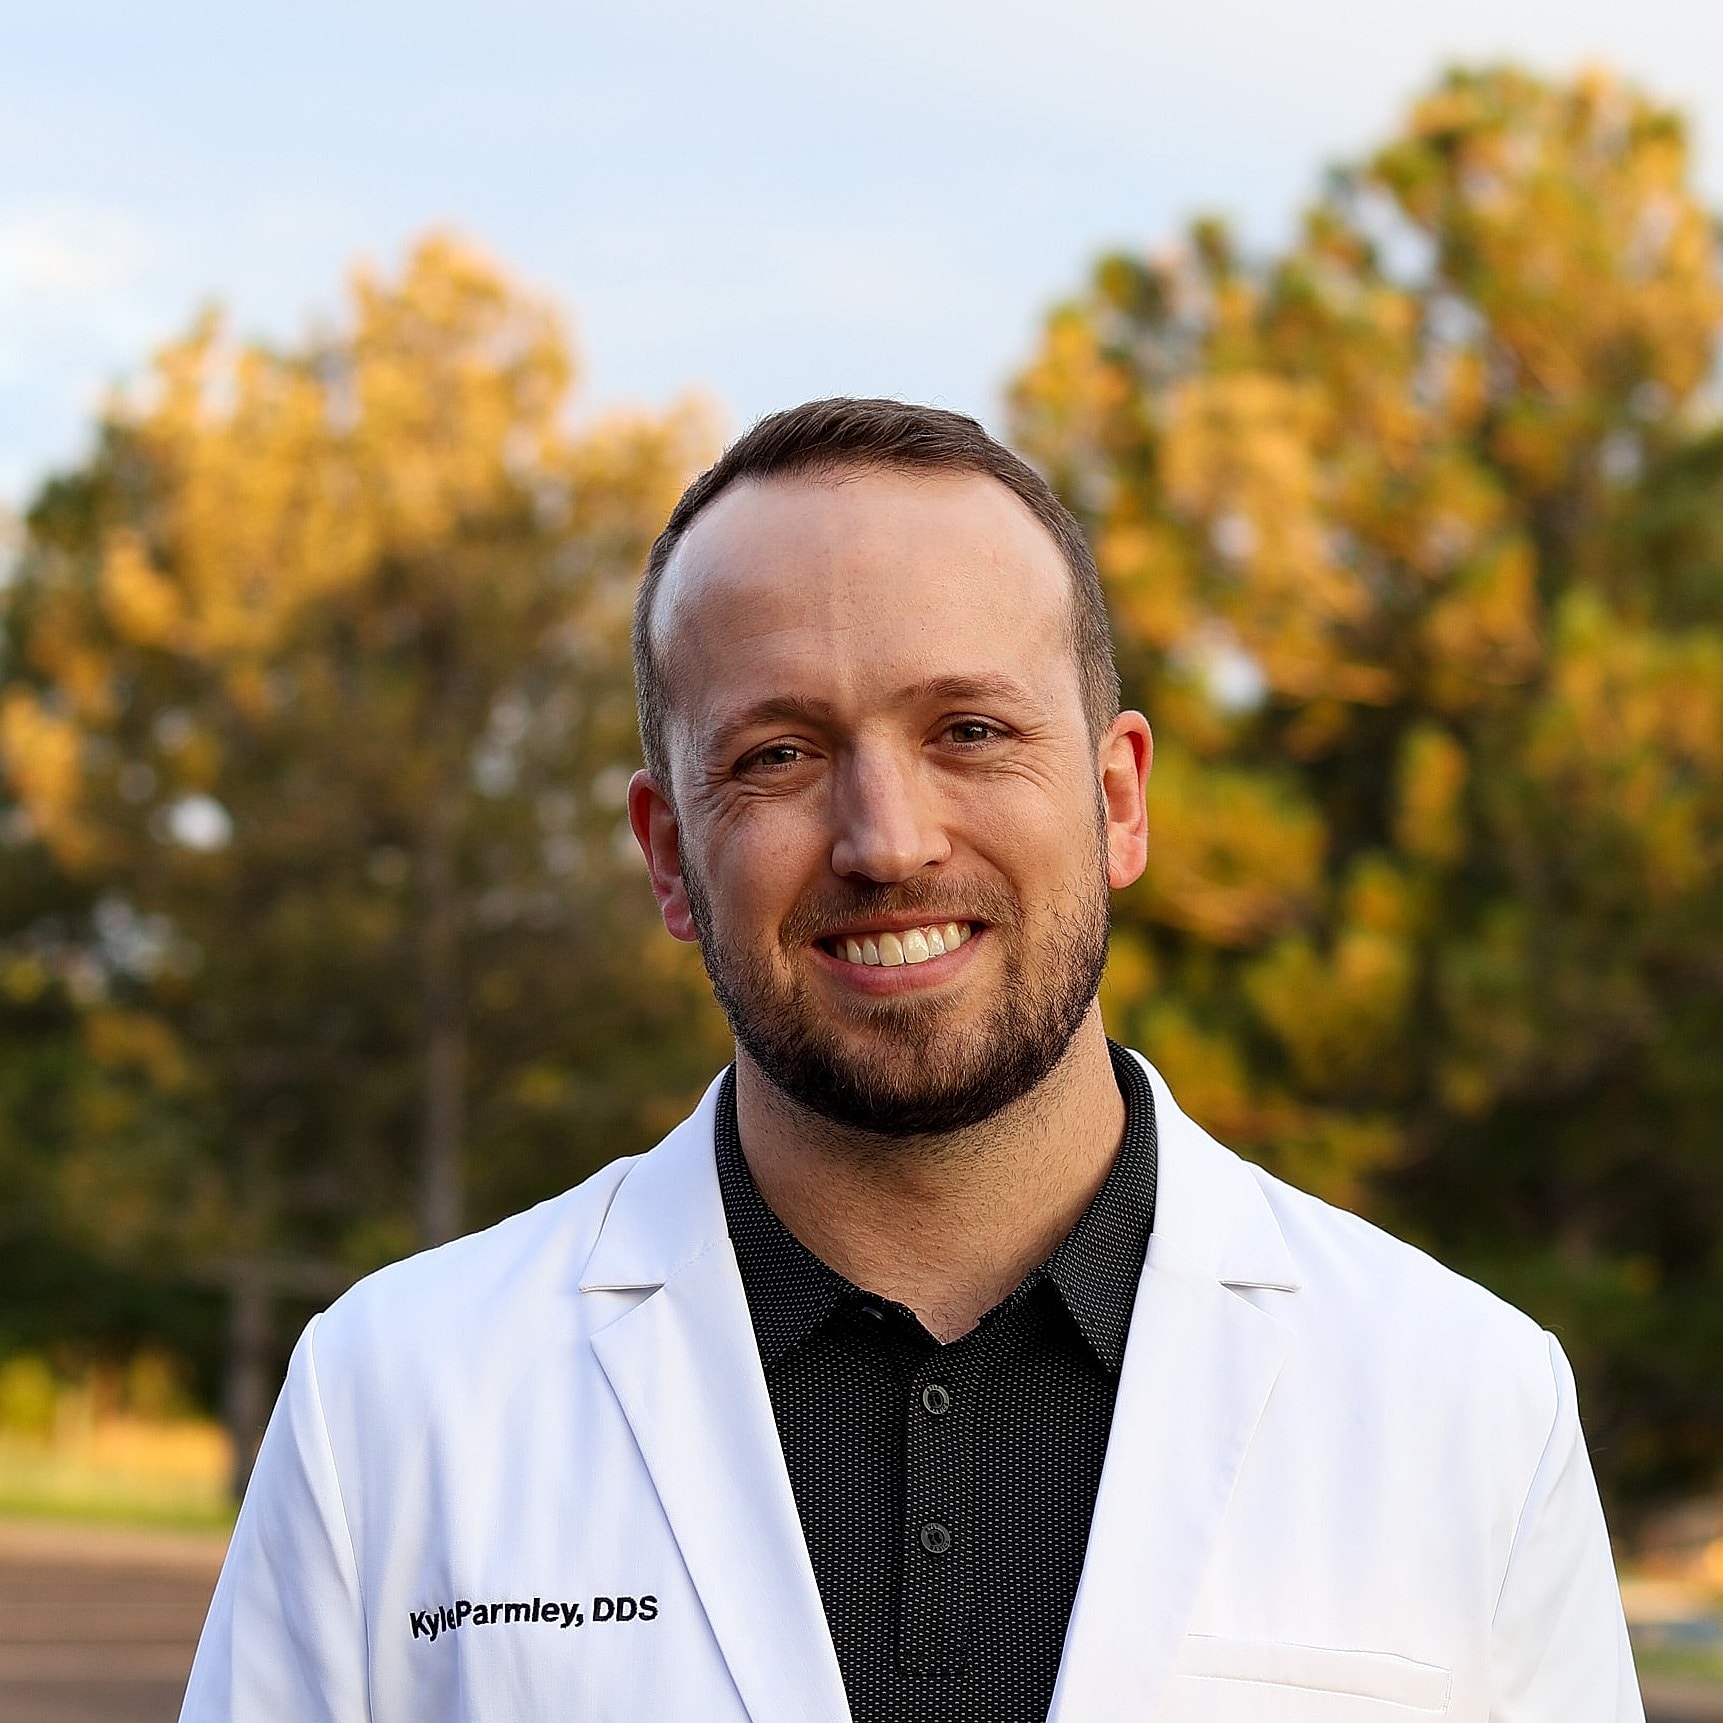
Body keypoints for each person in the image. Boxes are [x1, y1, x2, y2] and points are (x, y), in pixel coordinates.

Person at [180, 398, 1642, 1723]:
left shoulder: (1464, 1402)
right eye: (778, 755)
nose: (888, 840)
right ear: (670, 856)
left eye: (970, 729)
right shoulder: (395, 1399)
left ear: (1120, 799)